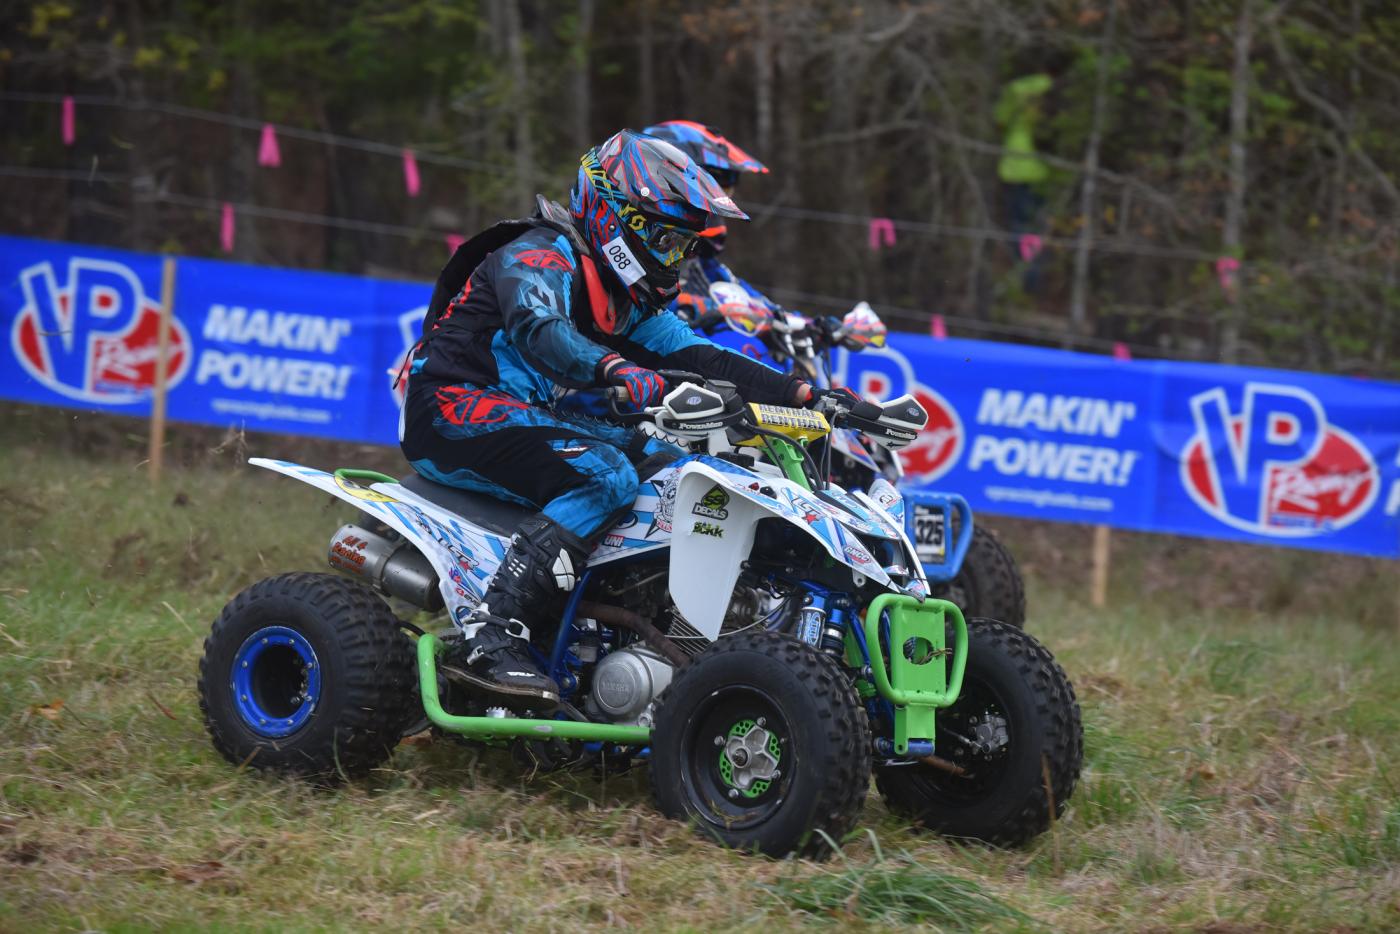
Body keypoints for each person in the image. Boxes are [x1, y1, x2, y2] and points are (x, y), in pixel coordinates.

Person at [399, 130, 828, 710]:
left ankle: (654, 636)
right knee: (607, 475)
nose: (673, 258)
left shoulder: (625, 298)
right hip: (451, 407)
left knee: (676, 467)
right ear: (614, 216)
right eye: (664, 240)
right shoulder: (536, 253)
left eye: (683, 247)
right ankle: (492, 633)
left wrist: (809, 394)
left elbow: (701, 354)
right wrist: (615, 368)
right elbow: (539, 328)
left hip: (520, 416)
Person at [639, 121, 781, 329]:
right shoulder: (638, 231)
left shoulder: (697, 247)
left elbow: (723, 279)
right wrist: (693, 305)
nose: (720, 196)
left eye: (726, 188)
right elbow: (633, 294)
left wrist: (793, 318)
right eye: (715, 182)